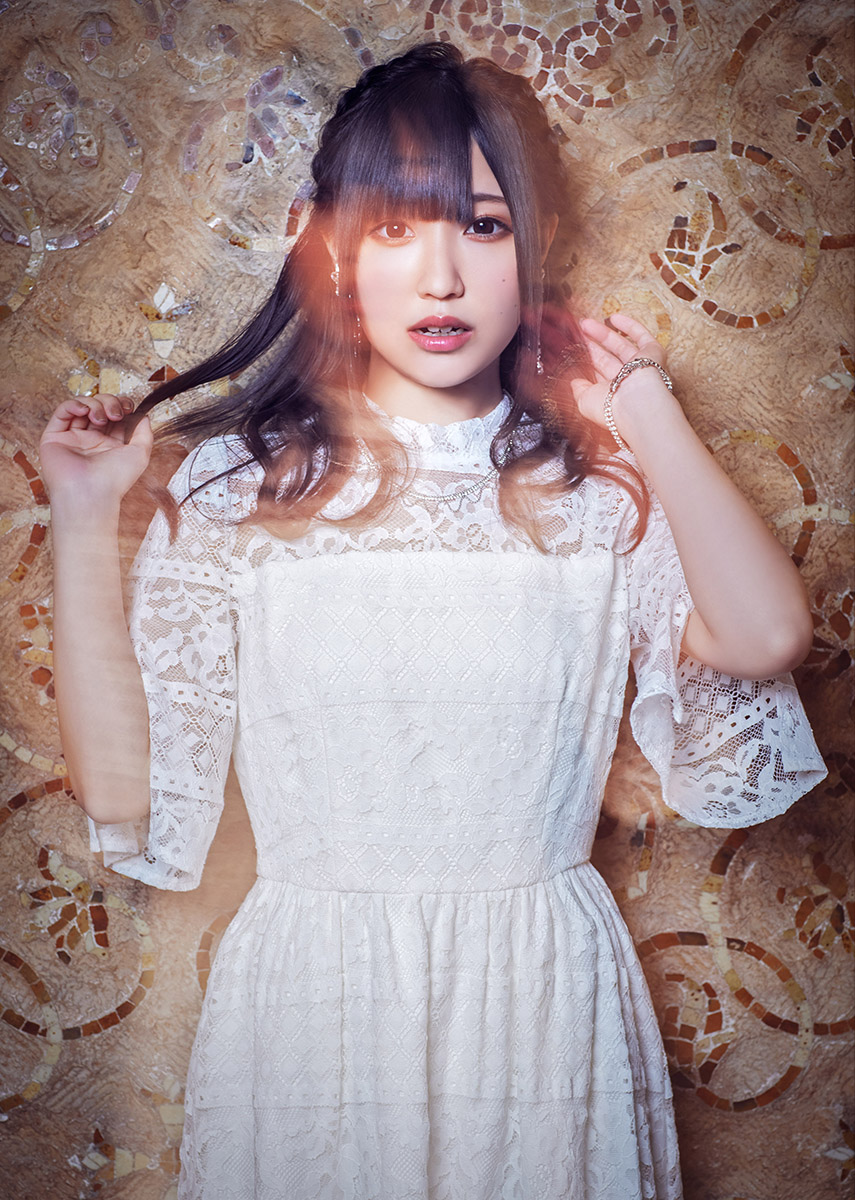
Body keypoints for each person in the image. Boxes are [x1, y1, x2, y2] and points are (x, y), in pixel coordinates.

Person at [41, 41, 825, 1200]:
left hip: (542, 1003)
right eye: (397, 228)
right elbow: (124, 794)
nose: (442, 278)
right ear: (334, 250)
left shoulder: (595, 491)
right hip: (312, 1008)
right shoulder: (240, 487)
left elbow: (765, 638)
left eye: (485, 227)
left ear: (535, 247)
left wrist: (644, 404)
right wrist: (81, 517)